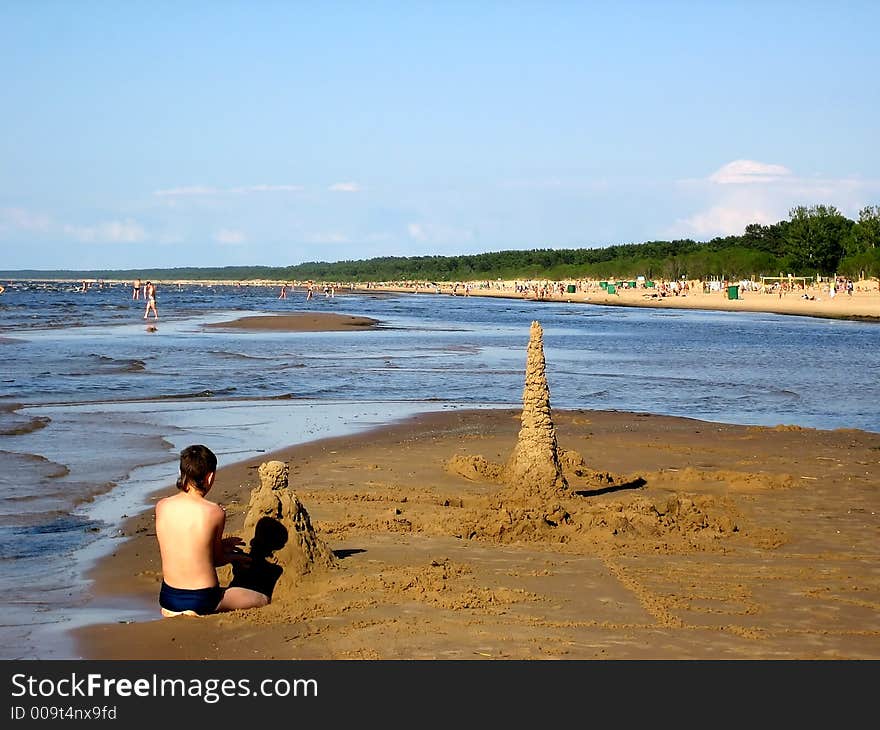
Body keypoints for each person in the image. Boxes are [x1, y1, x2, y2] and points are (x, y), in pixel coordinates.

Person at [155, 445, 269, 617]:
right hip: (203, 599)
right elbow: (216, 559)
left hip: (168, 597)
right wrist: (237, 557)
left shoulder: (162, 506)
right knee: (262, 599)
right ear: (209, 477)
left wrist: (223, 544)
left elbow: (184, 546)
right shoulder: (214, 511)